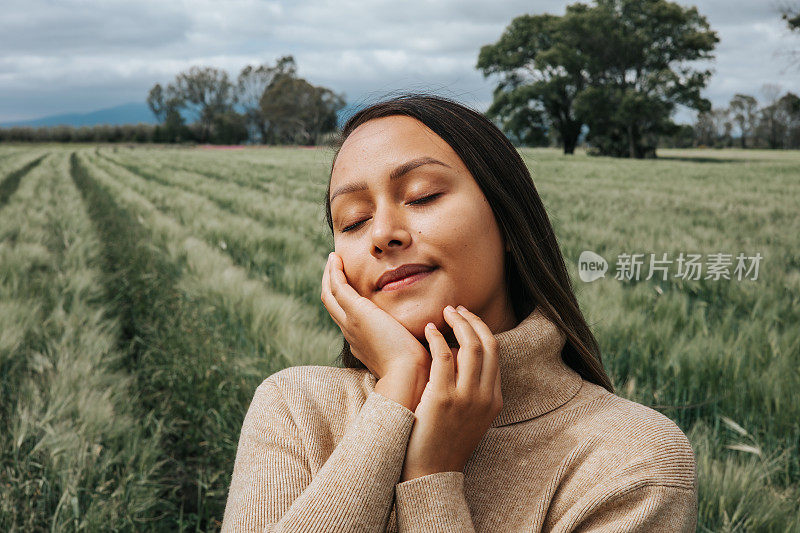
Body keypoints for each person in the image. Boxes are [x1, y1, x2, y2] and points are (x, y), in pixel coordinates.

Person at [221, 94, 697, 532]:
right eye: (353, 220)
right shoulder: (295, 407)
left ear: (506, 214)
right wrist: (400, 388)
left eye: (423, 195)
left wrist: (432, 478)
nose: (383, 233)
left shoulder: (633, 459)